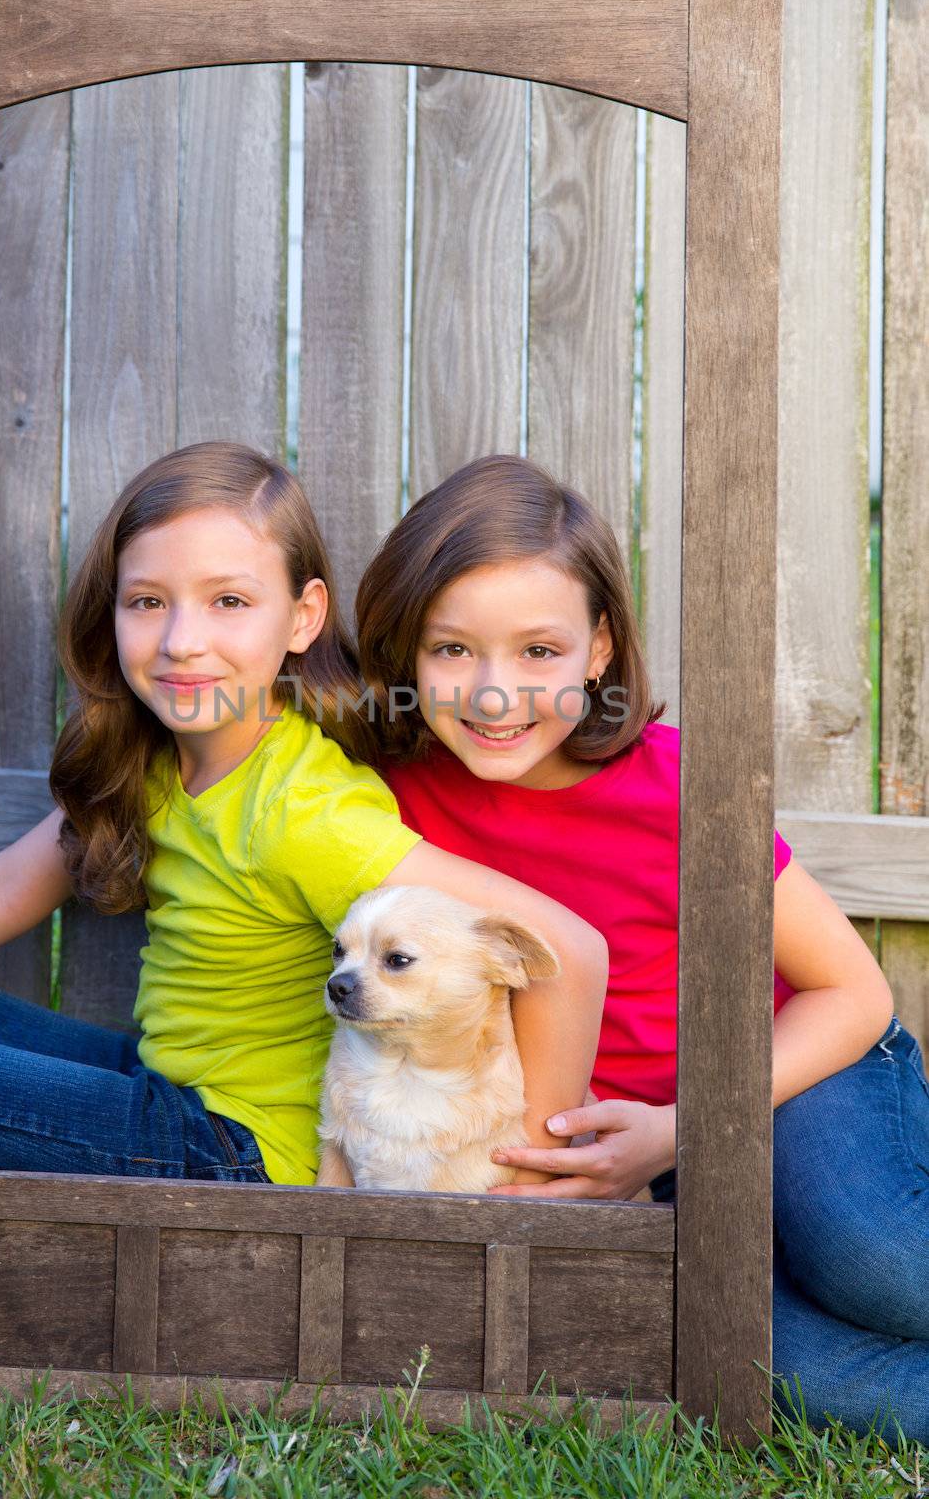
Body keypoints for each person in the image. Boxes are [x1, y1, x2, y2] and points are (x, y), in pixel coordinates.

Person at [355, 451, 929, 1448]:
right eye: (452, 650)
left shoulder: (669, 787)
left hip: (789, 1070)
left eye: (538, 651)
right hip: (630, 1157)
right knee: (762, 1359)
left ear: (599, 647)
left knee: (869, 1256)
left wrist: (682, 1125)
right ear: (405, 651)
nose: (493, 695)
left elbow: (850, 991)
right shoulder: (383, 801)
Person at [0, 441, 607, 1188]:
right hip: (162, 1086)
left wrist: (528, 1183)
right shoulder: (156, 759)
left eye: (228, 602)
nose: (184, 642)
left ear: (302, 617)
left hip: (239, 1147)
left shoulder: (305, 810)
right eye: (148, 602)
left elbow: (569, 951)